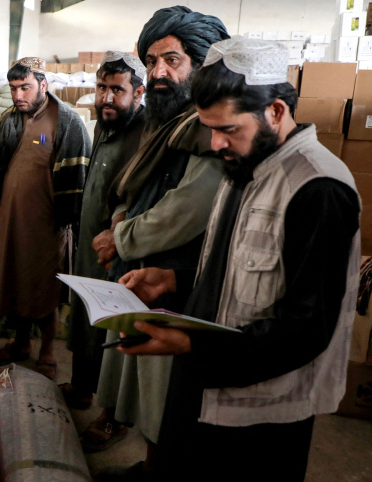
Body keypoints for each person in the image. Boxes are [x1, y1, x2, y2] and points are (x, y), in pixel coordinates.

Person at [116, 38, 360, 482]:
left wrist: (191, 343)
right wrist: (173, 281)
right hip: (204, 381)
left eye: (228, 129)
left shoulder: (319, 189)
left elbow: (305, 329)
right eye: (209, 128)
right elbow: (240, 271)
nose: (216, 142)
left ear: (276, 113)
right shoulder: (244, 167)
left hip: (259, 415)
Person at [86, 6, 229, 473]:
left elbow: (189, 208)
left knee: (164, 394)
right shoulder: (164, 122)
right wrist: (123, 218)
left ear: (203, 64)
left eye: (172, 59)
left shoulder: (208, 128)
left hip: (175, 278)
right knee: (137, 378)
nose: (158, 72)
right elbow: (135, 183)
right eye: (151, 62)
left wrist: (121, 235)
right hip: (139, 268)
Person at [0, 57, 90, 380]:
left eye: (26, 88)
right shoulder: (8, 120)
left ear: (43, 85)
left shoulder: (67, 122)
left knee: (45, 288)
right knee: (15, 281)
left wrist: (67, 221)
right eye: (14, 89)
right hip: (12, 222)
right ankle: (20, 344)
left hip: (48, 224)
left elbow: (78, 178)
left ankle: (46, 351)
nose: (19, 96)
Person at [62, 51, 147, 408]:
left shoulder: (147, 133)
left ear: (139, 93)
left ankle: (112, 415)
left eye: (117, 90)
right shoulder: (104, 125)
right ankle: (82, 387)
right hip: (89, 243)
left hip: (121, 248)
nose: (106, 98)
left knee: (115, 330)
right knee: (85, 320)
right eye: (101, 88)